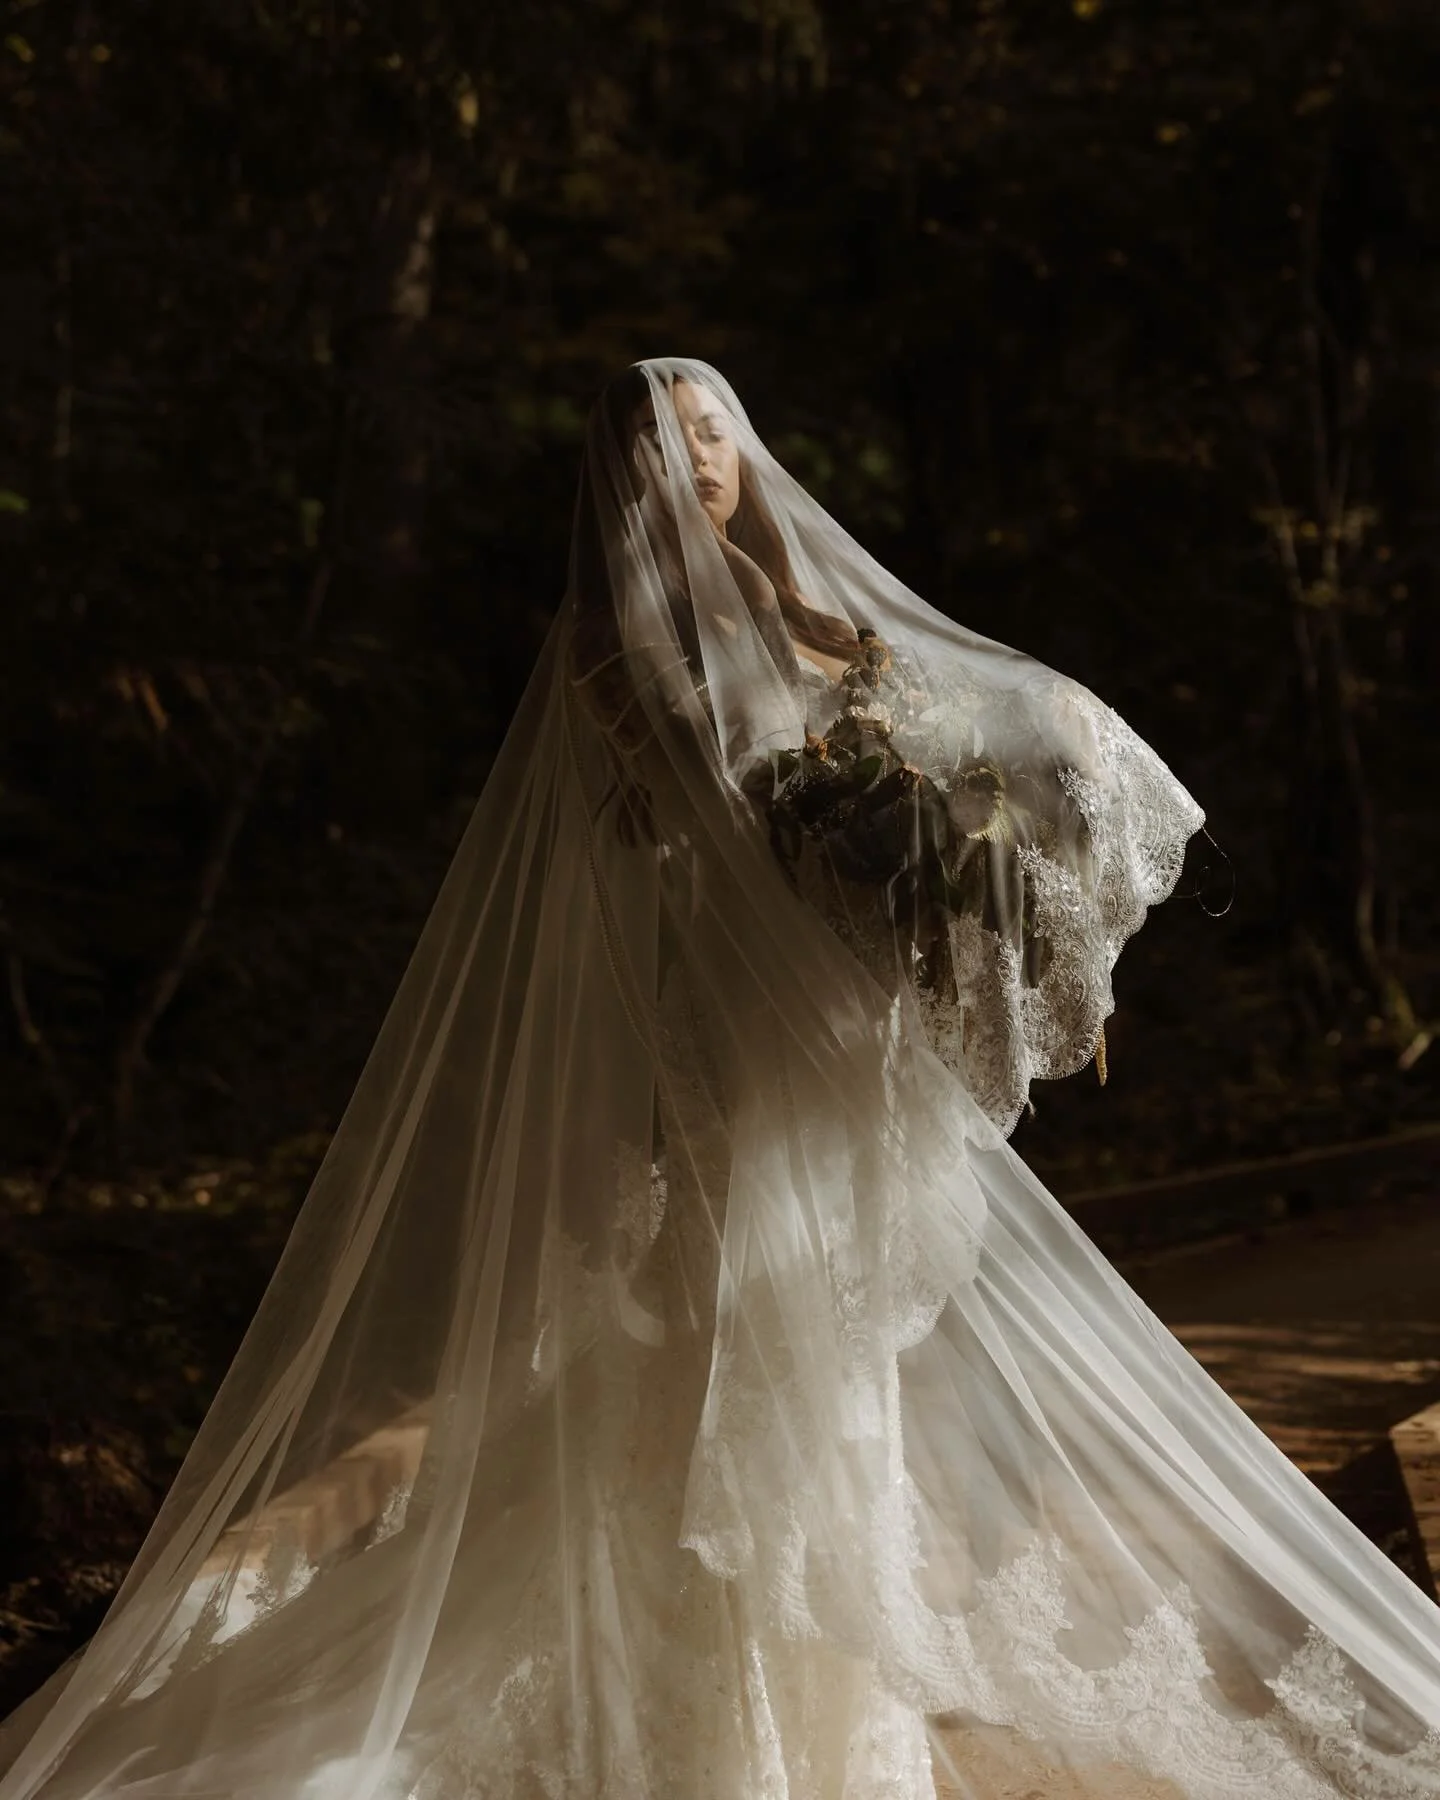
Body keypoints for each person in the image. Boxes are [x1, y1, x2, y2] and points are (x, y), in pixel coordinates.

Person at [2, 357, 1438, 1800]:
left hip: (845, 1090)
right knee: (725, 1421)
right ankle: (706, 1756)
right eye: (660, 438)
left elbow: (981, 749)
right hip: (739, 1093)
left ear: (749, 452)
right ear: (616, 475)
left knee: (839, 1416)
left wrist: (962, 868)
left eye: (712, 430)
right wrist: (862, 854)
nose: (693, 456)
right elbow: (710, 856)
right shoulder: (620, 659)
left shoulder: (832, 628)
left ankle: (830, 1755)